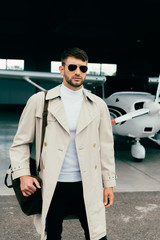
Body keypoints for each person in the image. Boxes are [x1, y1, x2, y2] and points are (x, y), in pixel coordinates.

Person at [10, 47, 116, 240]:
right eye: (73, 67)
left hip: (87, 183)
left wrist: (108, 183)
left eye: (83, 68)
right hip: (53, 183)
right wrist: (23, 174)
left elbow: (106, 147)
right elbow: (20, 143)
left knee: (98, 235)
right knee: (52, 235)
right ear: (62, 70)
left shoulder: (98, 104)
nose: (78, 72)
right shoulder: (40, 101)